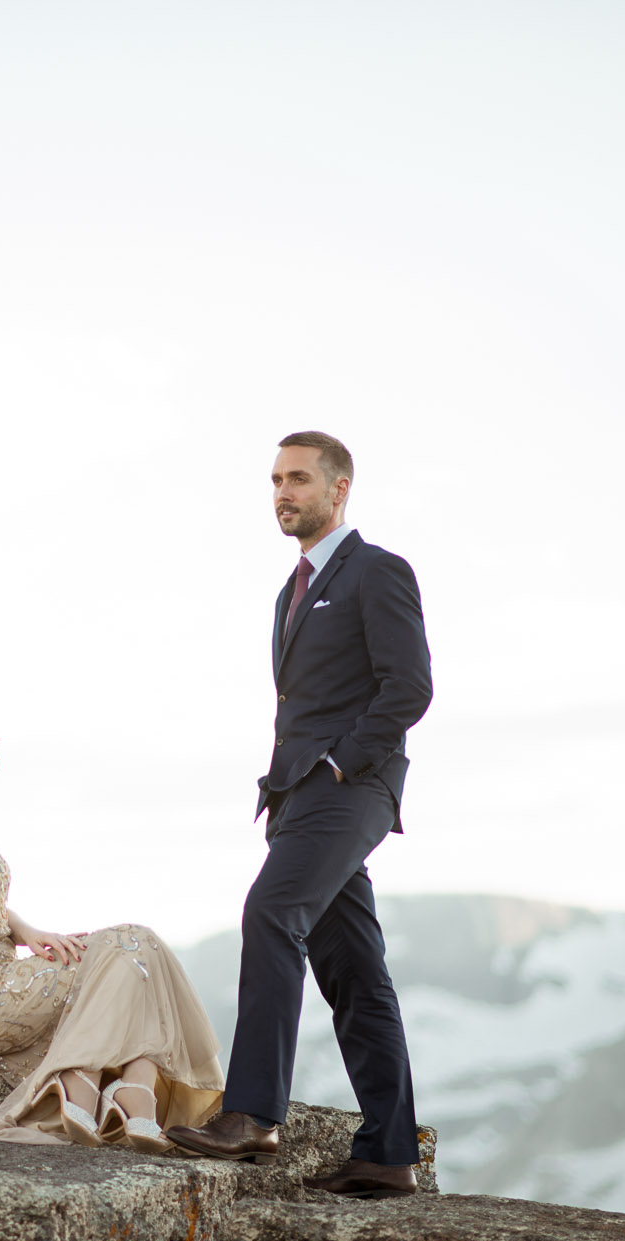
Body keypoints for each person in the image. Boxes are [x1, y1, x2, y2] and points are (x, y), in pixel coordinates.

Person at [166, 431, 432, 1198]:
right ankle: (387, 1152)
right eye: (276, 480)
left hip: (348, 789)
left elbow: (408, 686)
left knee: (270, 911)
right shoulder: (290, 591)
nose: (284, 492)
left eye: (300, 479)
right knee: (354, 971)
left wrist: (341, 762)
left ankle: (251, 1112)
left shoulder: (377, 571)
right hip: (298, 798)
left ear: (339, 489)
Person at [0, 678, 224, 1150]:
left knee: (142, 943)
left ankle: (131, 1089)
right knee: (124, 949)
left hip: (6, 973)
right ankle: (97, 1083)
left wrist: (28, 931)